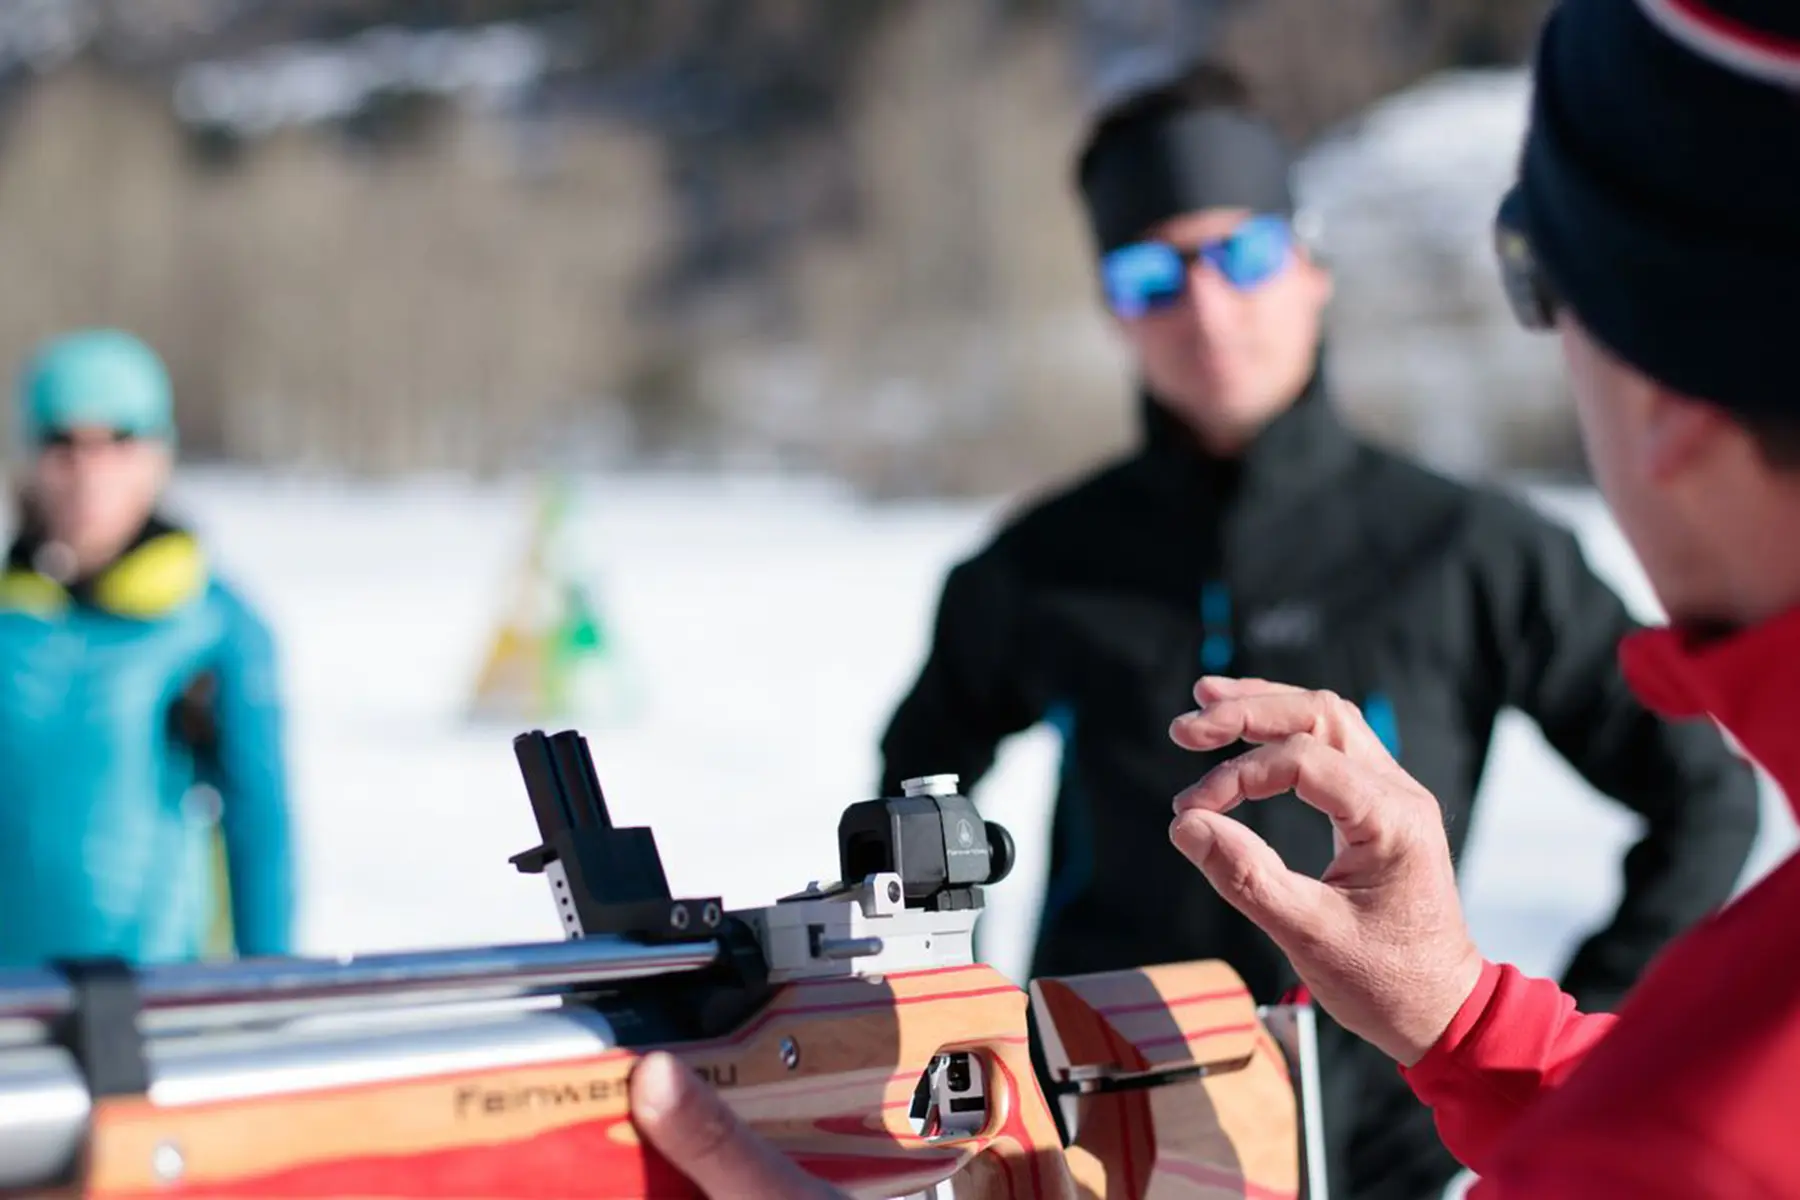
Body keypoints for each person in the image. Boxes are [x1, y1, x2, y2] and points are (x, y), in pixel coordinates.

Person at [631, 0, 1800, 1194]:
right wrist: (961, 1036)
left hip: (1401, 1144)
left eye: (1241, 256)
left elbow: (1700, 797)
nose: (1207, 307)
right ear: (1114, 313)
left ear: (1311, 266)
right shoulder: (1040, 562)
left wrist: (1597, 1056)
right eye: (1153, 274)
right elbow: (915, 793)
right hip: (1100, 1144)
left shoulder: (1475, 550)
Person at [0, 329, 296, 966]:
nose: (88, 471)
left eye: (118, 441)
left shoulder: (215, 625)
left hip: (152, 1008)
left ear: (157, 456)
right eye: (63, 444)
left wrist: (270, 993)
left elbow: (260, 827)